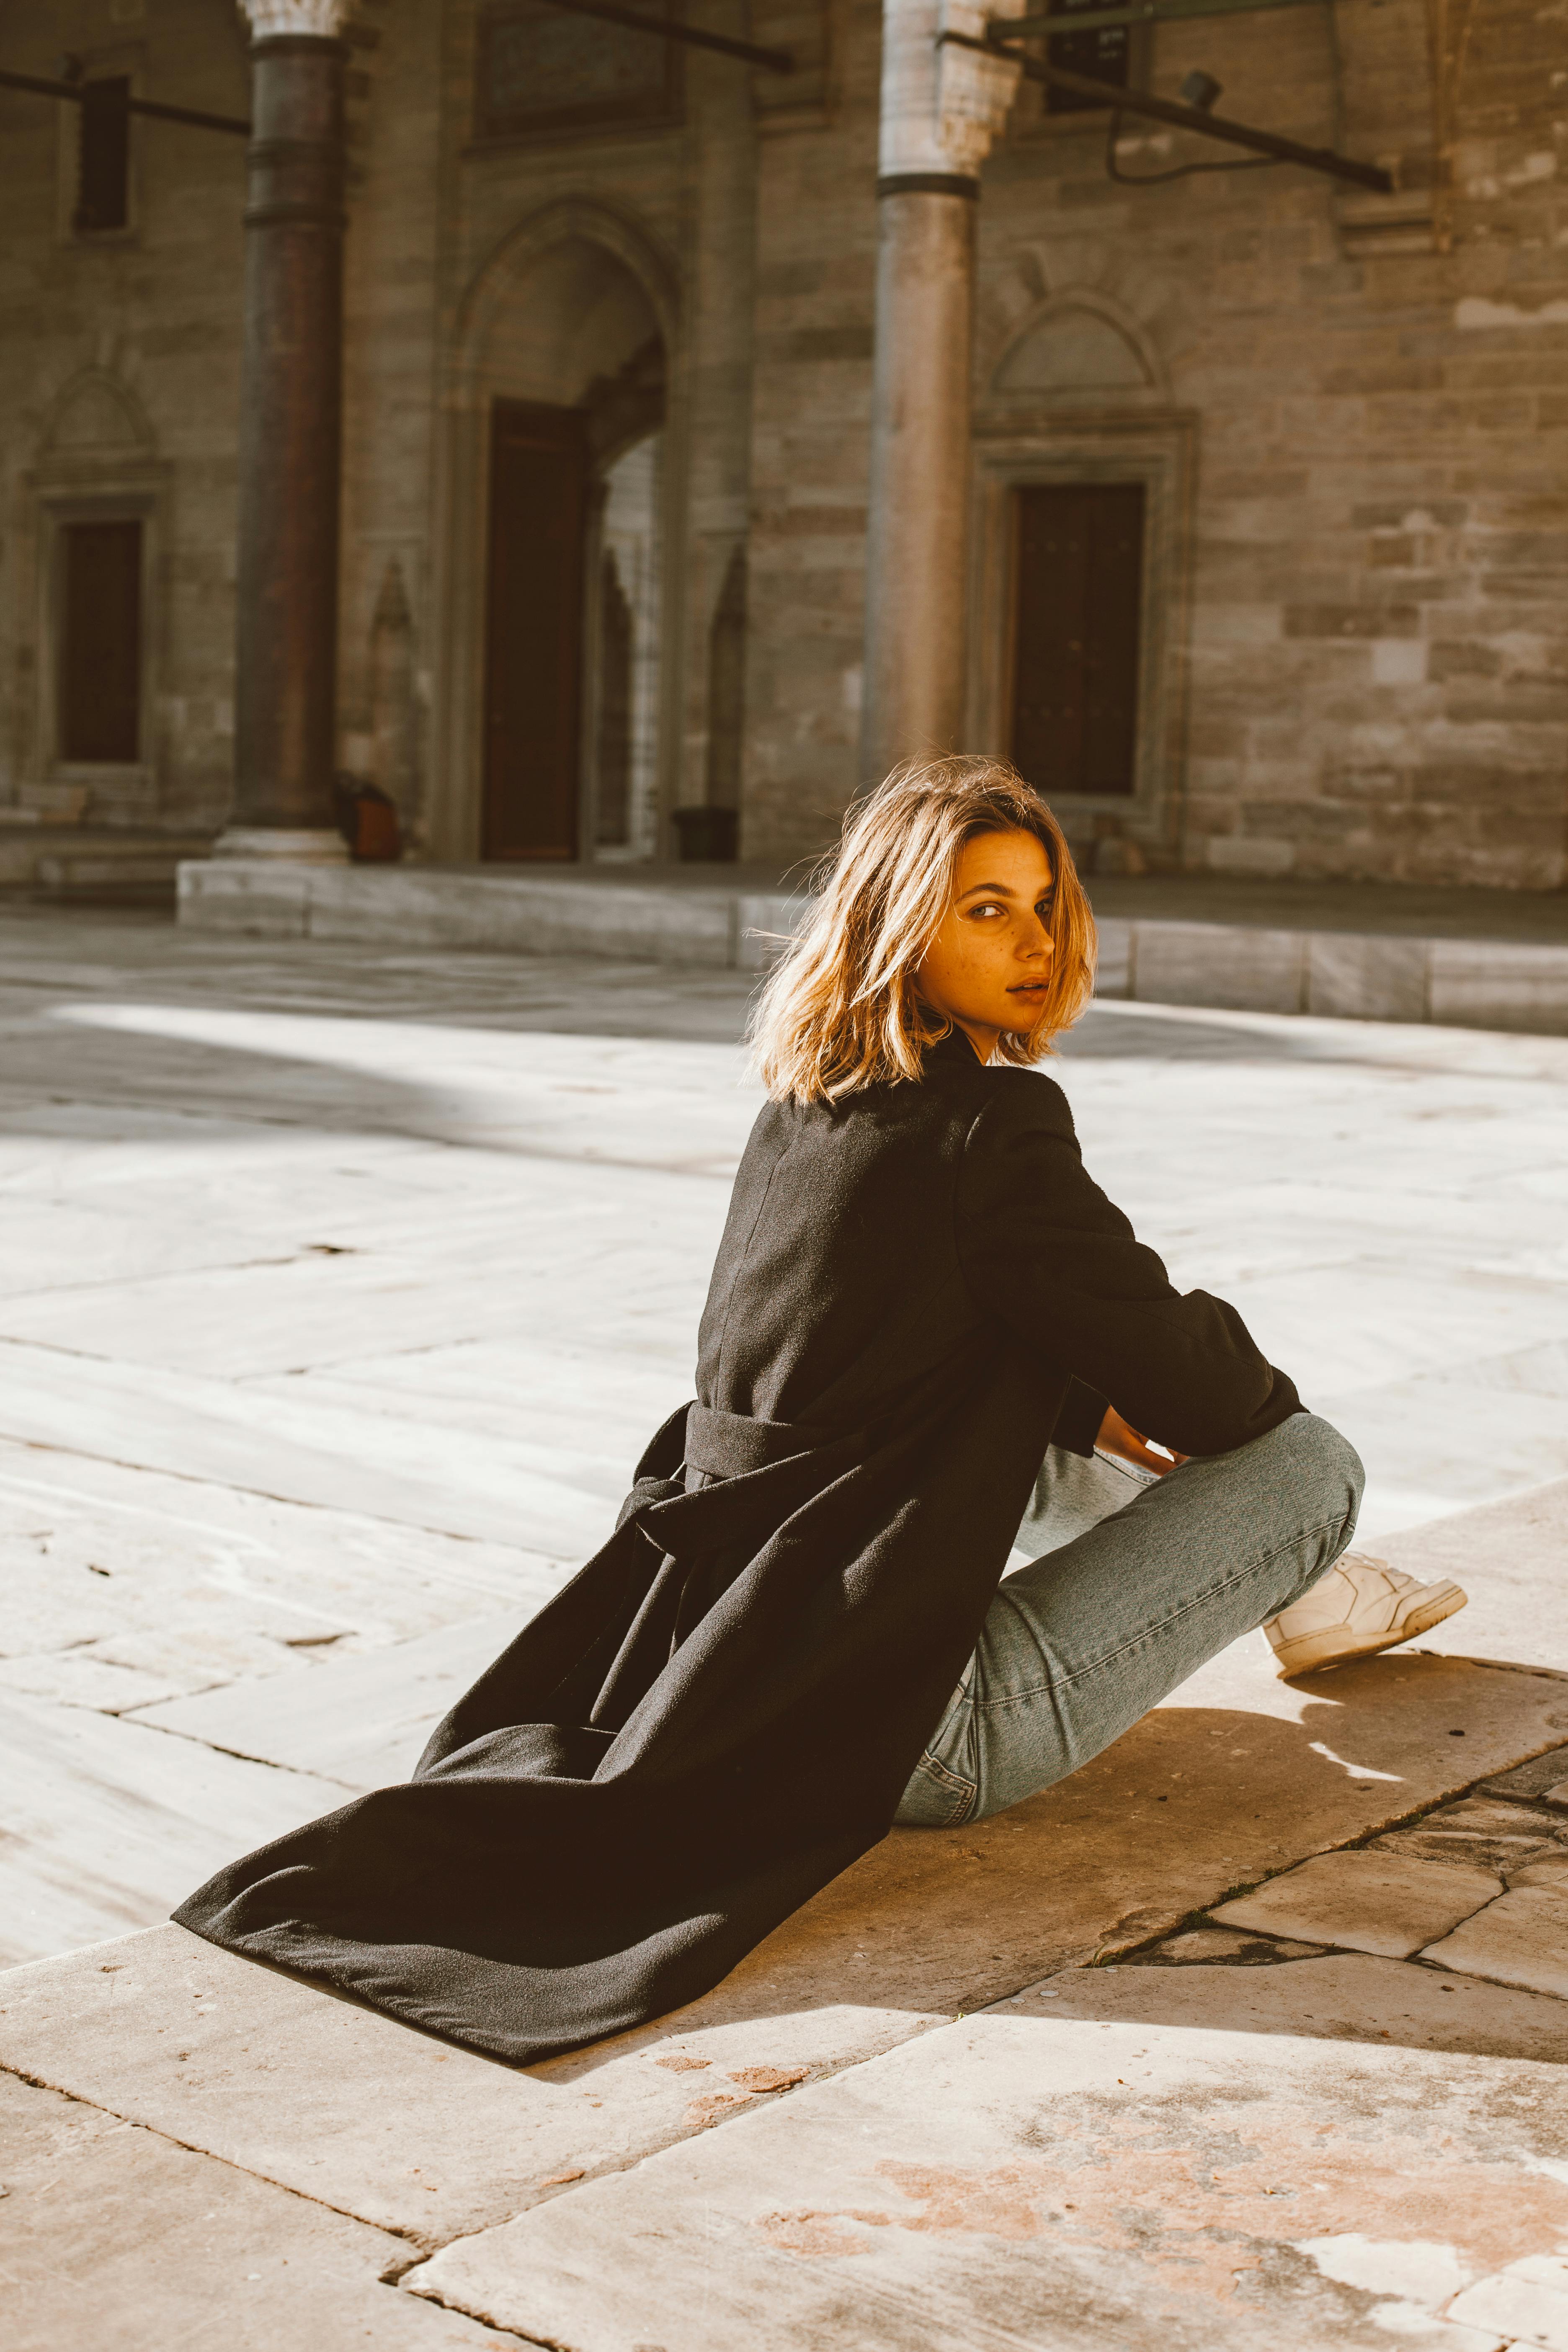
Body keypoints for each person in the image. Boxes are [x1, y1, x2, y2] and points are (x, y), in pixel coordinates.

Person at [175, 758, 1465, 2062]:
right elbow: (1224, 1394)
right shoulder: (994, 1128)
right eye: (983, 911)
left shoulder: (804, 1113)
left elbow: (905, 1346)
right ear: (899, 924)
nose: (1034, 941)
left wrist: (1084, 1393)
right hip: (925, 1736)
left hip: (731, 1676)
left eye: (1041, 903)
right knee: (1310, 1465)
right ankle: (1316, 1577)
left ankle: (1310, 1594)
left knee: (1043, 1405)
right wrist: (1146, 1385)